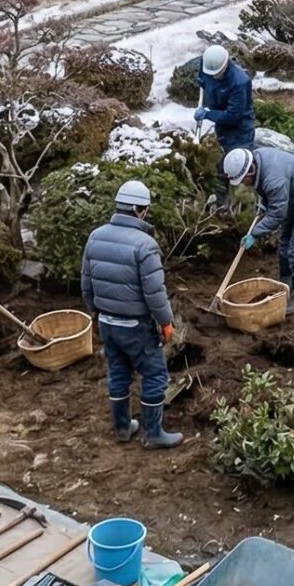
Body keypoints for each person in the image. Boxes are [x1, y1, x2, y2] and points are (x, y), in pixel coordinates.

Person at [81, 179, 182, 449]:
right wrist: (166, 322)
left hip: (107, 323)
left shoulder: (95, 236)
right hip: (135, 326)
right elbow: (155, 292)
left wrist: (96, 313)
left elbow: (86, 284)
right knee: (155, 374)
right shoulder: (145, 244)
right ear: (141, 210)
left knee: (118, 372)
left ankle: (123, 428)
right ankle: (153, 434)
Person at [225, 145, 294, 313]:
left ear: (250, 170)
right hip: (291, 196)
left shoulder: (274, 179)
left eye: (243, 179)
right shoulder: (257, 159)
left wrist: (254, 234)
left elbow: (277, 214)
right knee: (284, 245)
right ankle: (285, 283)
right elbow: (269, 194)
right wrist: (264, 202)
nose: (243, 184)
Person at [195, 44, 256, 154]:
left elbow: (233, 116)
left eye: (217, 73)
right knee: (221, 154)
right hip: (220, 123)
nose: (213, 76)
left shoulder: (239, 82)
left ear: (225, 65)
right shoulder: (207, 64)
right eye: (211, 74)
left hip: (240, 131)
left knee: (239, 159)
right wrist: (202, 81)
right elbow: (203, 79)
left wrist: (207, 114)